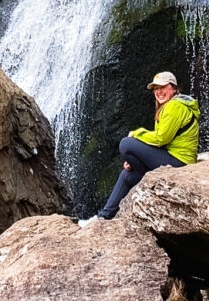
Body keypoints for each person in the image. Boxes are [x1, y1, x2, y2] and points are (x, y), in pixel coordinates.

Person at [82, 71, 199, 223]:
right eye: (156, 88)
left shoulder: (174, 106)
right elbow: (162, 138)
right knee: (127, 175)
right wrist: (138, 157)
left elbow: (161, 138)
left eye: (163, 87)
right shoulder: (174, 105)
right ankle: (103, 217)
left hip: (179, 162)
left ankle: (140, 170)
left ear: (173, 88)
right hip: (173, 157)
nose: (159, 92)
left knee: (126, 144)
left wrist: (136, 134)